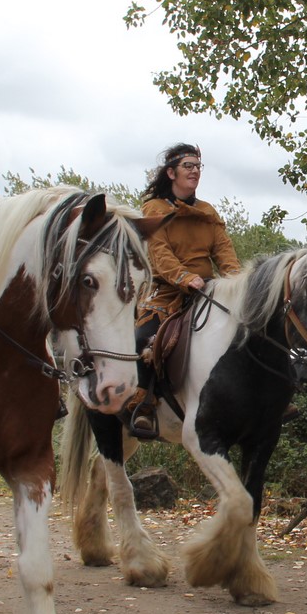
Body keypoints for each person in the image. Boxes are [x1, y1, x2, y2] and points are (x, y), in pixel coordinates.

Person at [125, 143, 241, 438]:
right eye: (188, 166)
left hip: (207, 289)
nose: (195, 171)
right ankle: (144, 403)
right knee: (143, 338)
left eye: (198, 166)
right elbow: (159, 253)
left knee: (251, 327)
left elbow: (225, 253)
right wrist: (184, 276)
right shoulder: (154, 209)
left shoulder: (207, 212)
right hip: (166, 291)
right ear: (171, 172)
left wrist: (238, 283)